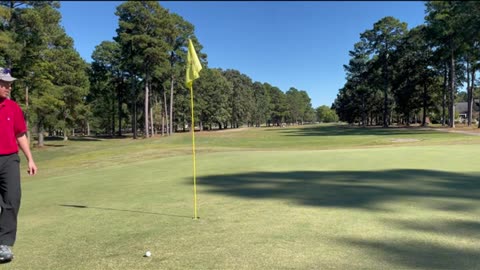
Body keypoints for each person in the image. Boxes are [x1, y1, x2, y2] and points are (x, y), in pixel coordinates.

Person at [0, 67, 37, 263]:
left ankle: (3, 244)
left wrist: (30, 158)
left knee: (12, 199)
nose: (9, 87)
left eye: (9, 84)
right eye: (4, 83)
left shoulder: (13, 107)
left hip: (9, 159)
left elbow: (20, 134)